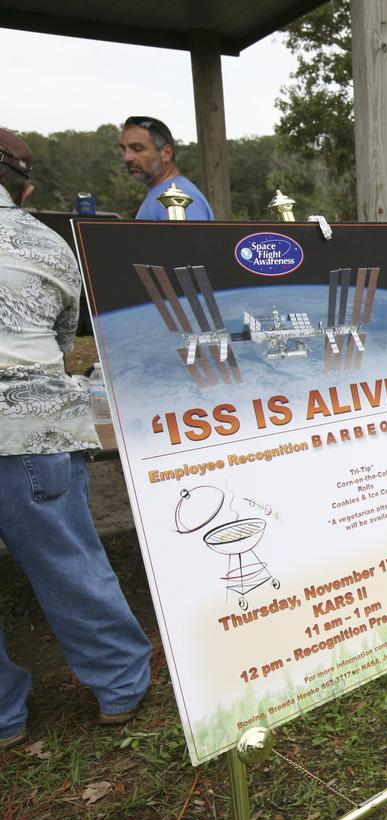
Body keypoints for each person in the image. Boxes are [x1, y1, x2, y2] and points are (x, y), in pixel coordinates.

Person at [0, 128, 153, 749]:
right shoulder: (46, 242)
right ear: (26, 188)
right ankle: (120, 684)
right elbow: (64, 340)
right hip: (32, 425)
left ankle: (4, 717)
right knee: (69, 561)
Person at [119, 116, 214, 220]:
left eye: (137, 149)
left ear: (166, 153)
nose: (127, 157)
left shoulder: (174, 199)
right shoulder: (160, 193)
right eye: (124, 149)